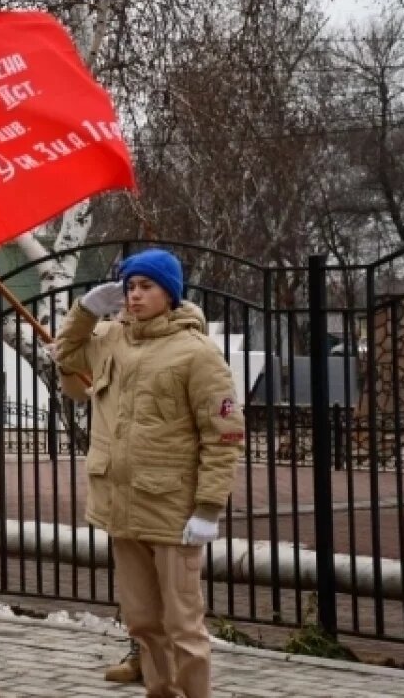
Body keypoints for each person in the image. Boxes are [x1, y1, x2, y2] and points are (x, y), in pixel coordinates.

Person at [54, 249, 244, 698]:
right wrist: (84, 312)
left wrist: (209, 508)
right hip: (121, 506)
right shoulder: (112, 338)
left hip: (172, 510)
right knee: (142, 620)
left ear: (170, 295)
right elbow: (65, 355)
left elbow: (224, 433)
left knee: (182, 625)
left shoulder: (196, 353)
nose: (134, 296)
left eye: (146, 287)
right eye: (130, 287)